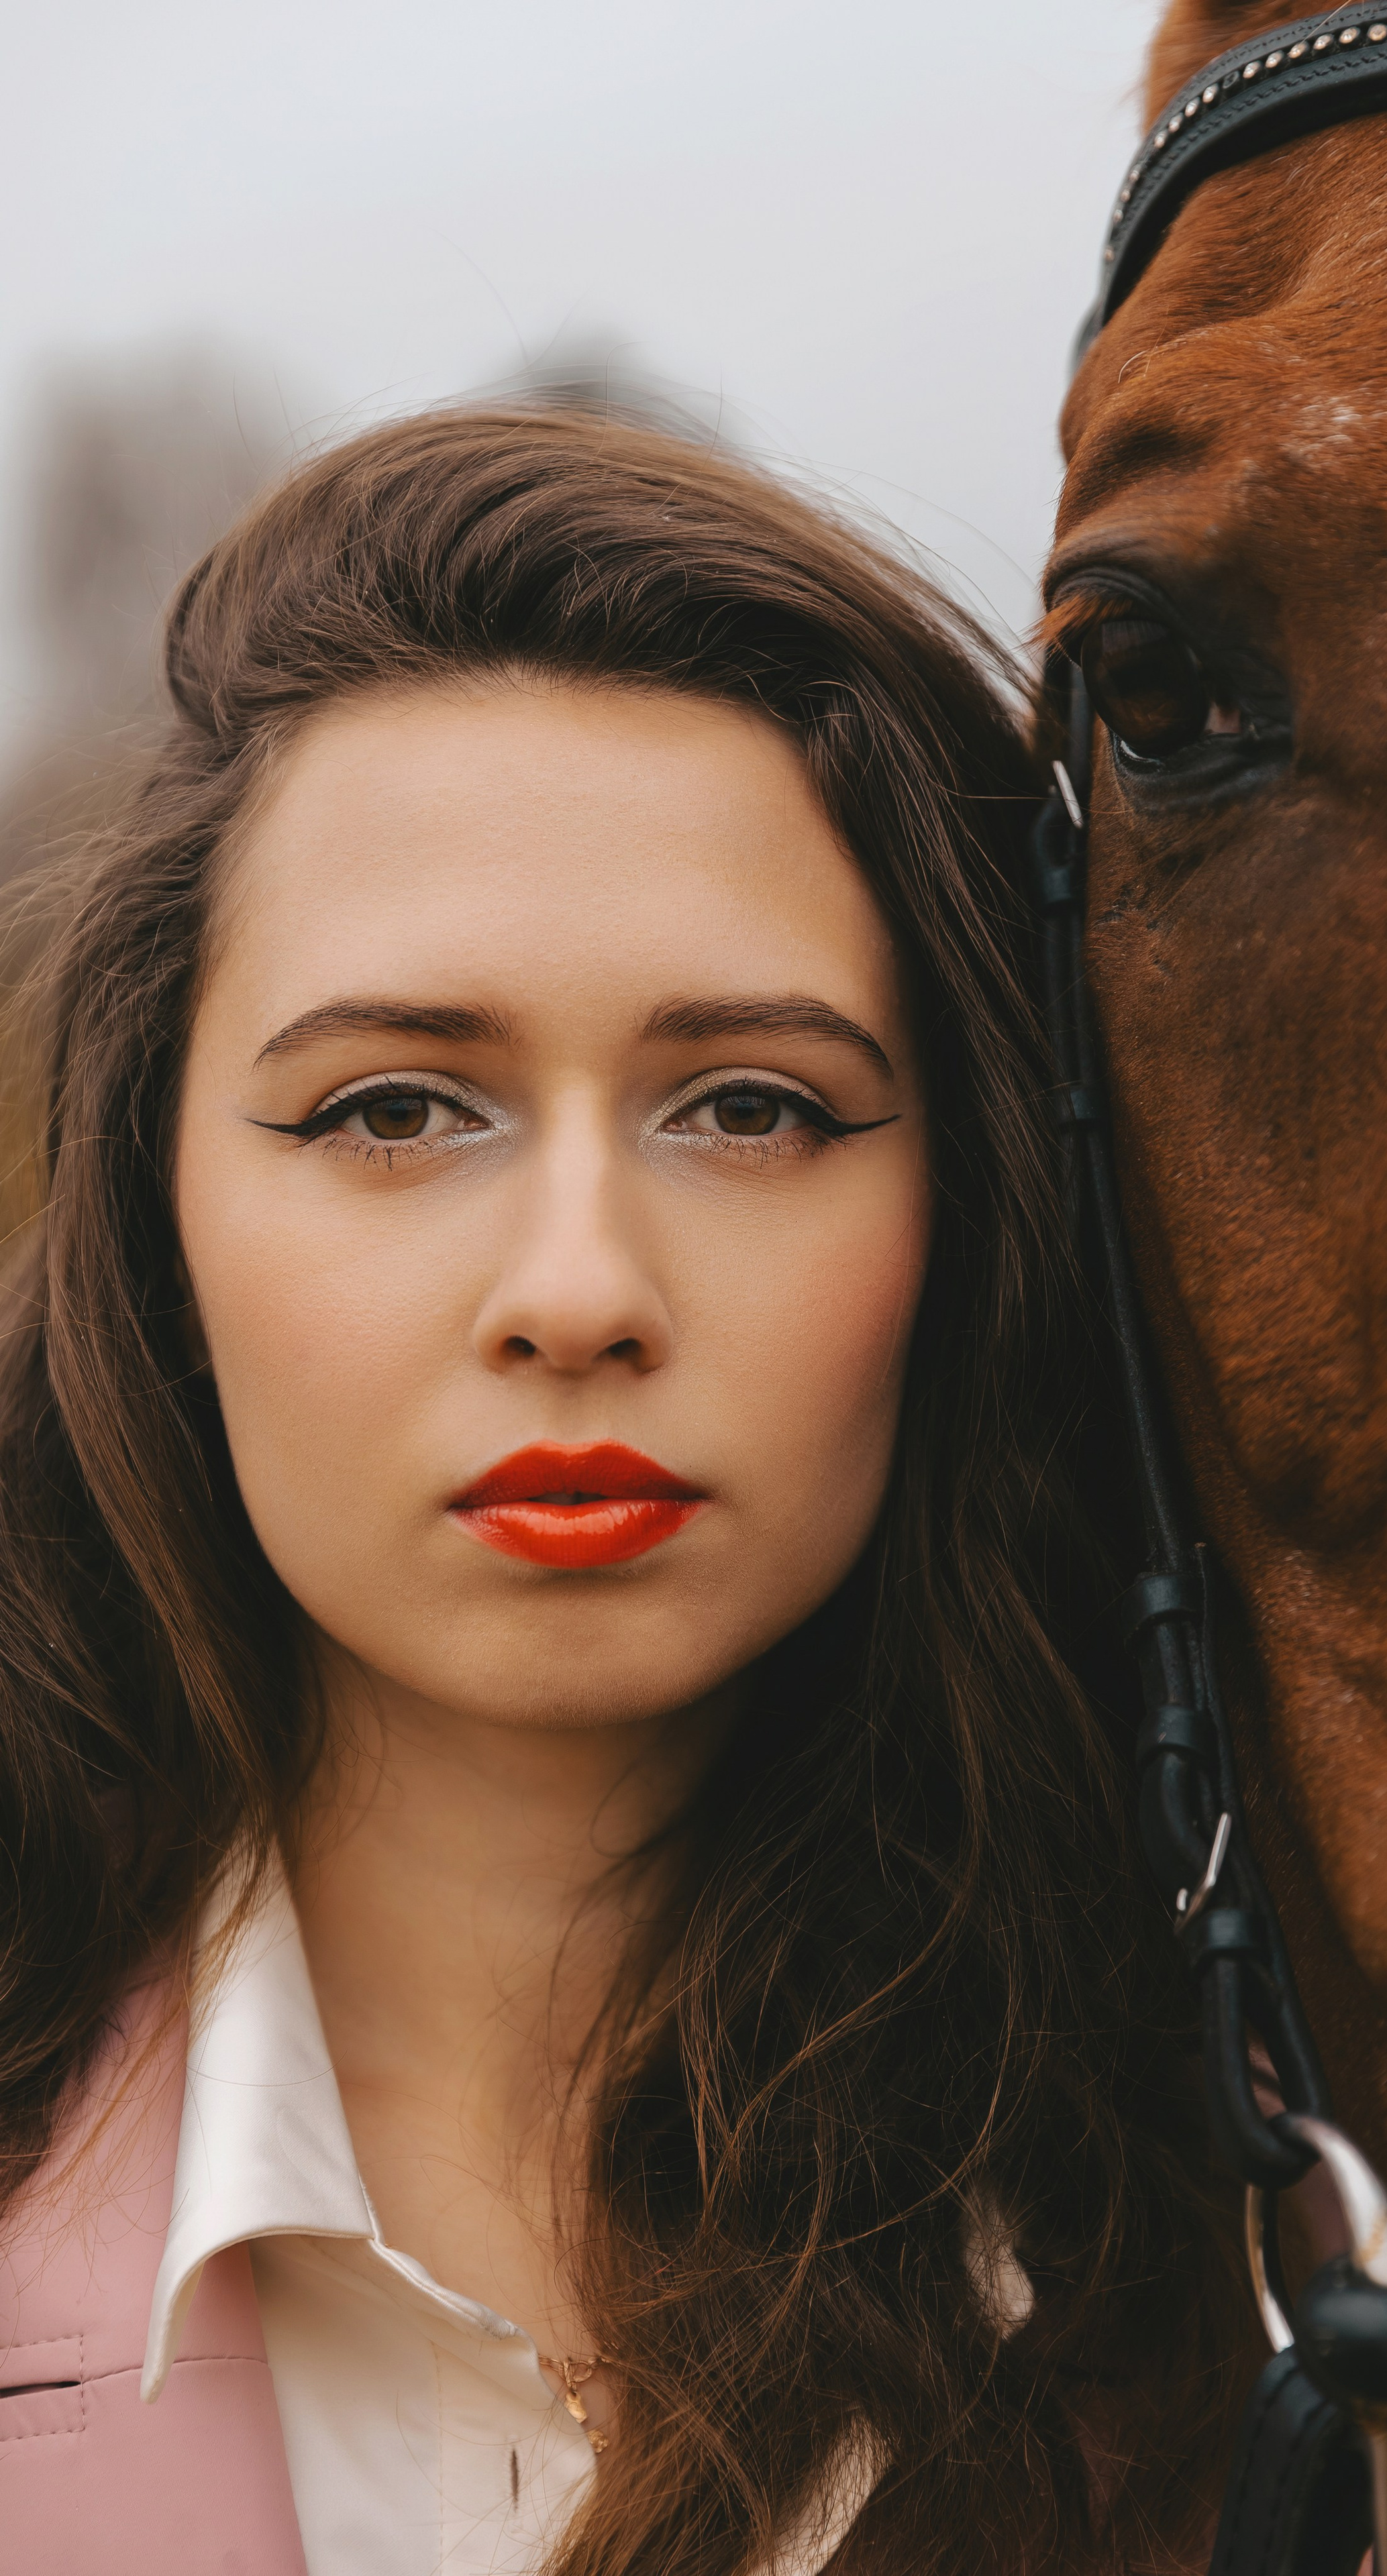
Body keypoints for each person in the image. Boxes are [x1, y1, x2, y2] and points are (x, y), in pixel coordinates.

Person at [0, 409, 1252, 2576]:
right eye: (395, 1107)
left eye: (754, 1108)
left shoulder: (1330, 2284)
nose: (577, 1293)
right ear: (152, 1214)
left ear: (972, 1217)